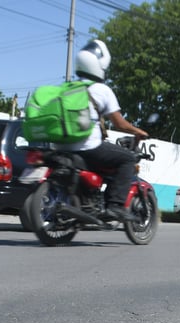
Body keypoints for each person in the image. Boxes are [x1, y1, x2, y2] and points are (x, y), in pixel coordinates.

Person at [62, 39, 149, 223]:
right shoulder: (101, 89)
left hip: (64, 146)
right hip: (88, 147)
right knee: (127, 159)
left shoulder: (68, 87)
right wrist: (137, 131)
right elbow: (119, 124)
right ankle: (114, 206)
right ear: (99, 66)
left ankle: (89, 200)